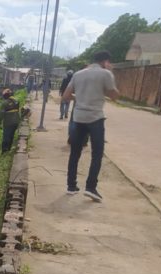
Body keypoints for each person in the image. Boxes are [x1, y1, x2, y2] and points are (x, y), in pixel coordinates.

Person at [61, 50, 119, 202]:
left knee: (75, 153)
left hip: (78, 117)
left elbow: (66, 96)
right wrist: (111, 75)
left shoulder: (78, 74)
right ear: (105, 61)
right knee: (97, 154)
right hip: (95, 118)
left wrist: (80, 98)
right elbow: (114, 96)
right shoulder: (106, 74)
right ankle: (90, 187)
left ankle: (71, 186)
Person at [0, 88, 21, 153]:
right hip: (16, 121)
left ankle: (4, 151)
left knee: (6, 137)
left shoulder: (5, 103)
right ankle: (8, 149)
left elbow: (1, 114)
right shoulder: (17, 101)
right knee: (11, 135)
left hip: (8, 122)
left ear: (5, 96)